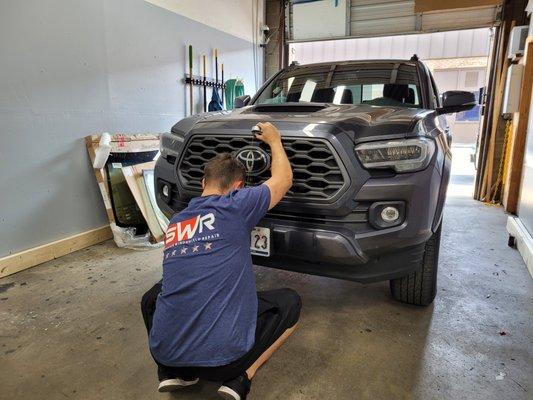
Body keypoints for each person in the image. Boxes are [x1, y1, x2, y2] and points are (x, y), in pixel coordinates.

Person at [141, 122, 301, 400]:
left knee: (153, 295)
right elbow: (283, 180)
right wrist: (274, 140)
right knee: (290, 302)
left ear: (203, 183)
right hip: (226, 361)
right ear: (238, 187)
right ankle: (241, 379)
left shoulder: (177, 221)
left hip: (165, 354)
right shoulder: (236, 204)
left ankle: (176, 373)